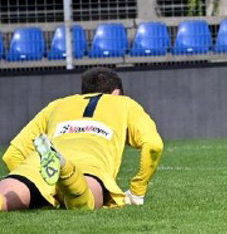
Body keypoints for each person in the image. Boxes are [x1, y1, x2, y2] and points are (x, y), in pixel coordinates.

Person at [1, 67, 164, 212]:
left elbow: (12, 154)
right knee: (84, 203)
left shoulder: (58, 104)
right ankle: (64, 168)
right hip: (90, 164)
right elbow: (153, 145)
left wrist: (37, 186)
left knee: (4, 199)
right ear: (117, 93)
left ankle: (53, 168)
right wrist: (137, 191)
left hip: (36, 163)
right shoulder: (124, 104)